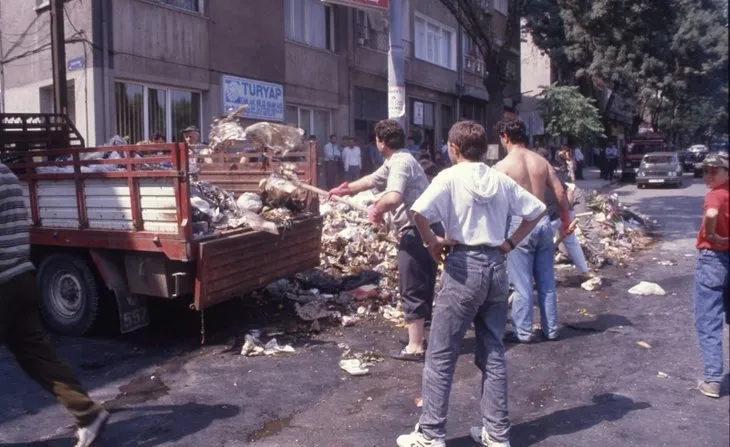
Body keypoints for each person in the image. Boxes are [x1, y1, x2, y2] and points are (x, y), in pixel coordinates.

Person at [395, 120, 546, 447]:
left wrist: (432, 243)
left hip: (463, 266)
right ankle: (497, 433)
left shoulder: (448, 177)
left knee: (441, 352)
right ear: (484, 149)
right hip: (495, 264)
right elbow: (536, 210)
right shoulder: (498, 178)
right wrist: (509, 243)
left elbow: (418, 211)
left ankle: (431, 433)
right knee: (493, 350)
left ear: (452, 148)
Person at [0, 162, 110, 447]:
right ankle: (87, 413)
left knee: (36, 354)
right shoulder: (7, 174)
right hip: (21, 276)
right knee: (38, 355)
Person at [329, 120, 440, 361]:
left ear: (381, 142)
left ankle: (415, 347)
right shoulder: (399, 159)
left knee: (412, 285)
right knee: (422, 282)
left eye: (376, 139)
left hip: (415, 231)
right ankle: (420, 336)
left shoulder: (400, 162)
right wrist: (345, 189)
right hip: (425, 229)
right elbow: (372, 180)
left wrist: (377, 210)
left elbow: (393, 197)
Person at [494, 114, 571, 343]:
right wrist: (566, 220)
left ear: (505, 137)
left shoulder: (503, 166)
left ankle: (523, 331)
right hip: (543, 222)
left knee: (521, 282)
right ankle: (552, 329)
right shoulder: (541, 162)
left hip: (520, 225)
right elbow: (559, 193)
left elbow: (494, 202)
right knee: (546, 280)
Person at [693, 152, 729, 399]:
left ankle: (713, 380)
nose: (709, 175)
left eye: (714, 171)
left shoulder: (715, 195)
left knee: (709, 321)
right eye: (706, 170)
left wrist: (713, 235)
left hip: (713, 260)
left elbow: (712, 215)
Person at [537, 148, 591, 279]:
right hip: (561, 211)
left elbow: (567, 192)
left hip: (553, 214)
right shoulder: (554, 171)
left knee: (543, 246)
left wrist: (566, 214)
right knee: (571, 242)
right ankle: (584, 271)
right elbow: (568, 191)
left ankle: (543, 276)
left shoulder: (540, 172)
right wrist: (568, 212)